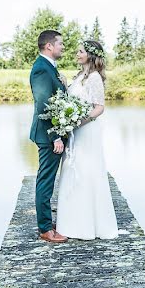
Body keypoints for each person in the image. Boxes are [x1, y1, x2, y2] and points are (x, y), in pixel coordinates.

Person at [56, 39, 119, 240]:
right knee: (72, 171)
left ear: (90, 55)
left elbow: (99, 107)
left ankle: (89, 224)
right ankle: (72, 223)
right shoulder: (80, 76)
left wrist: (77, 122)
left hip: (86, 131)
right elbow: (74, 100)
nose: (77, 54)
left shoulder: (94, 78)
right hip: (75, 129)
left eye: (80, 51)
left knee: (86, 171)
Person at [29, 30, 68, 243]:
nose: (63, 47)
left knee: (48, 180)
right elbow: (44, 105)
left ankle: (46, 221)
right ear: (49, 46)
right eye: (60, 43)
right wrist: (55, 137)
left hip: (51, 134)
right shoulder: (41, 70)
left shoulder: (50, 68)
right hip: (47, 136)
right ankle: (45, 229)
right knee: (45, 181)